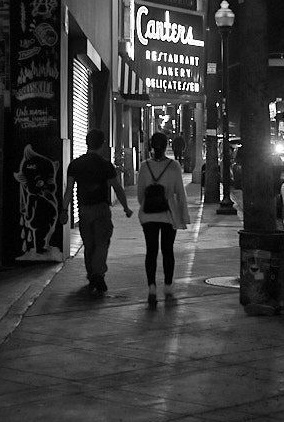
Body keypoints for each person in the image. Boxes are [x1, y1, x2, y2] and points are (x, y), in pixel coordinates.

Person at [59, 129, 133, 293]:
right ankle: (98, 274)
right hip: (101, 209)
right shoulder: (106, 165)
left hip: (84, 210)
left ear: (87, 143)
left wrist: (64, 209)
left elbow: (69, 190)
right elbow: (117, 188)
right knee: (101, 243)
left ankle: (92, 274)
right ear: (102, 144)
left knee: (89, 244)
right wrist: (126, 207)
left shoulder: (75, 165)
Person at [138, 131, 190, 307]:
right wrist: (183, 216)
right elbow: (180, 193)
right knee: (168, 250)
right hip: (169, 215)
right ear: (167, 145)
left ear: (151, 146)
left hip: (148, 215)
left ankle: (152, 287)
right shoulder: (174, 166)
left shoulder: (145, 166)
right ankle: (168, 285)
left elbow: (140, 195)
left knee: (151, 251)